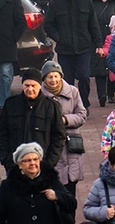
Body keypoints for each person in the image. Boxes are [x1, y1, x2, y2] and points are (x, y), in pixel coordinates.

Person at [43, 0, 103, 110]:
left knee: (84, 77)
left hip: (83, 48)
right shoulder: (56, 3)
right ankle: (69, 105)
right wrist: (58, 37)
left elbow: (93, 24)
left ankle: (84, 104)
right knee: (67, 81)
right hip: (65, 49)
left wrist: (98, 44)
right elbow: (48, 25)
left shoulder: (86, 2)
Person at [0, 67, 66, 173]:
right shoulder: (11, 105)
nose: (30, 89)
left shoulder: (51, 106)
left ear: (40, 86)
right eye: (27, 85)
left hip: (42, 167)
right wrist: (7, 160)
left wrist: (49, 163)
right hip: (15, 167)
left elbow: (59, 136)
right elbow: (2, 133)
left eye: (33, 86)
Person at [0, 142, 77, 224]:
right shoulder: (8, 186)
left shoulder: (50, 180)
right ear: (19, 165)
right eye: (27, 160)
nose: (32, 163)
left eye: (35, 159)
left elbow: (71, 204)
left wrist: (57, 195)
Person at [40, 61, 86, 205]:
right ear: (44, 79)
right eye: (49, 77)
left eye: (55, 76)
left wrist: (65, 120)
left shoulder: (73, 91)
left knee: (69, 195)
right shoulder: (39, 96)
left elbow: (82, 115)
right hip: (50, 147)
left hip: (71, 147)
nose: (53, 80)